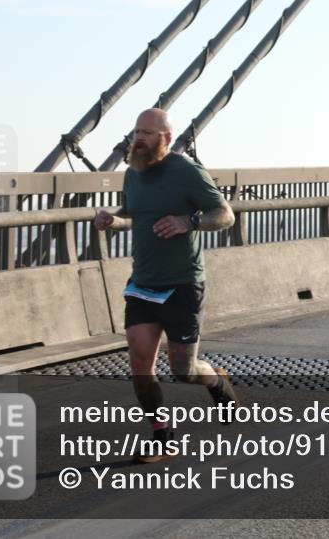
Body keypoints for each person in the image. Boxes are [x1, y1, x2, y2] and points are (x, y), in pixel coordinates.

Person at [94, 108, 239, 463]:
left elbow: (225, 216)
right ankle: (162, 436)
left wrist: (187, 221)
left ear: (166, 138)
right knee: (140, 360)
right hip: (143, 283)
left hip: (183, 283)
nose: (138, 139)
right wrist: (113, 220)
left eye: (147, 133)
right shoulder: (132, 172)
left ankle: (217, 381)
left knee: (183, 370)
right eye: (136, 131)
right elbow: (133, 215)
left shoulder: (186, 171)